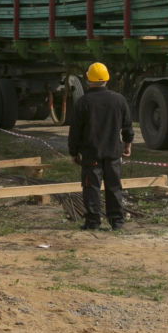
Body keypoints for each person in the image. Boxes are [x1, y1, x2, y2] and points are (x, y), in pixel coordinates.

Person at [67, 62, 133, 231]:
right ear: (106, 79)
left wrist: (73, 153)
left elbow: (75, 131)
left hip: (91, 155)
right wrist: (127, 144)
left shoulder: (83, 103)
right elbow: (127, 126)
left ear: (88, 80)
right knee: (114, 187)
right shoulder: (119, 100)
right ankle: (117, 222)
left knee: (91, 188)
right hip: (113, 154)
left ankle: (93, 221)